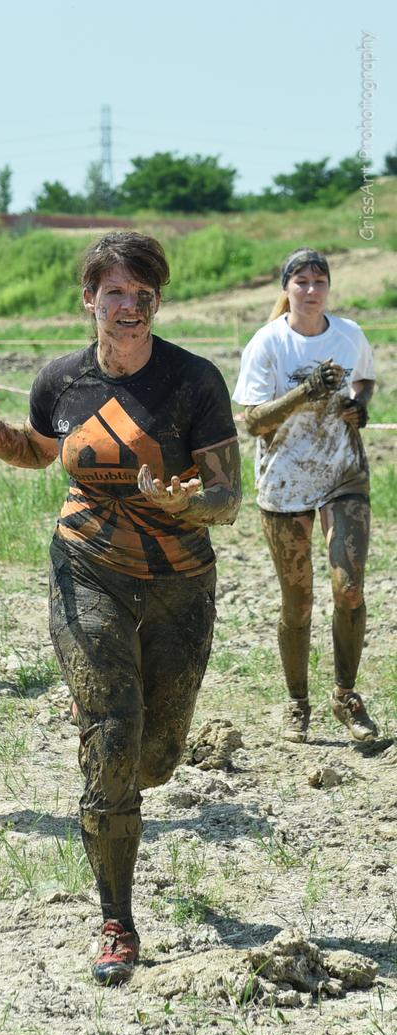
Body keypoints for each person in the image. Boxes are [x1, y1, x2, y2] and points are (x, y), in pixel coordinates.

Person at [0, 231, 241, 984]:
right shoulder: (60, 380)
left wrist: (191, 502)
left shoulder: (193, 381)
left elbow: (228, 496)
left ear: (158, 302)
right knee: (112, 739)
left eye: (143, 295)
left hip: (179, 586)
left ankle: (120, 738)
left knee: (156, 759)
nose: (129, 308)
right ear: (89, 299)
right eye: (115, 293)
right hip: (86, 573)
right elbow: (36, 451)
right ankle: (117, 921)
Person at [233, 247, 378, 746]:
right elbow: (252, 420)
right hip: (286, 480)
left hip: (343, 474)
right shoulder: (268, 344)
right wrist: (304, 392)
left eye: (320, 281)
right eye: (302, 282)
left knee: (350, 587)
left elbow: (365, 380)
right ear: (287, 289)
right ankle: (297, 703)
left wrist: (358, 406)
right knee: (298, 602)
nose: (312, 290)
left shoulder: (350, 334)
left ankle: (346, 695)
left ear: (329, 288)